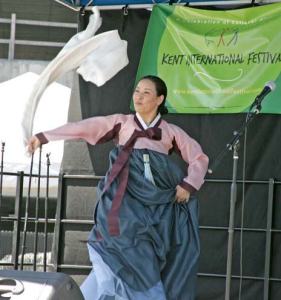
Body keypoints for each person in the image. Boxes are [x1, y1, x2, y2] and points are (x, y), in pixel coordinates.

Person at [28, 75, 209, 300]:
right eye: (137, 91)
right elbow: (83, 127)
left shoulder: (170, 132)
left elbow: (199, 157)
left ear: (160, 99)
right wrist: (44, 136)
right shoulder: (121, 122)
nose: (139, 97)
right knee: (118, 248)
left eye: (146, 93)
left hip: (154, 208)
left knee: (132, 260)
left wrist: (188, 185)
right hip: (122, 203)